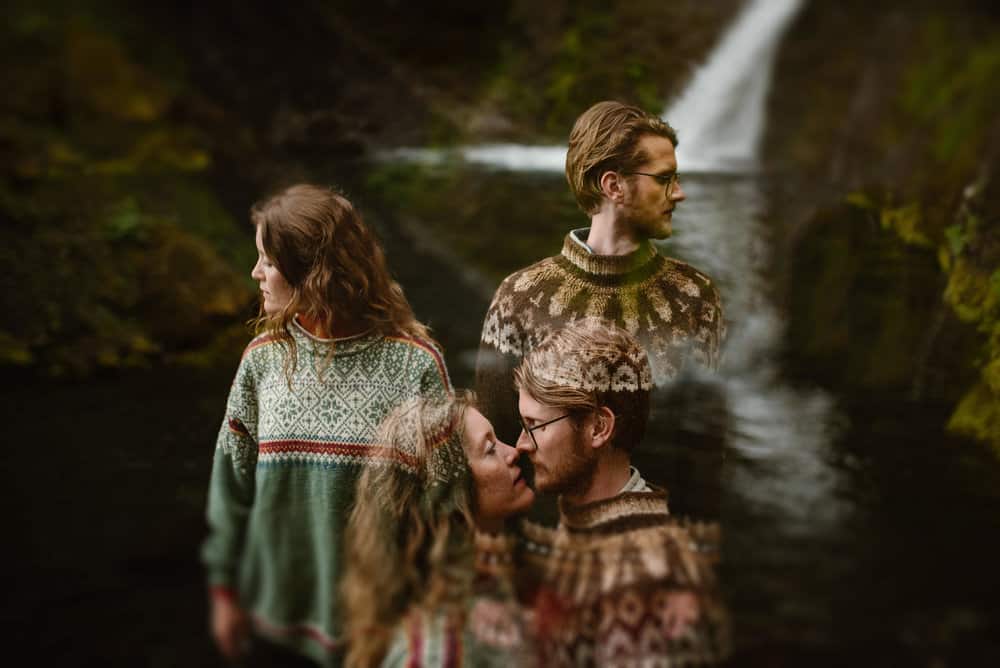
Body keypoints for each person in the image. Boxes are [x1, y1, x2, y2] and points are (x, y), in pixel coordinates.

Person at [201, 184, 452, 667]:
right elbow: (231, 487)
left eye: (267, 262)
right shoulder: (263, 362)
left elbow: (445, 504)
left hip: (382, 632)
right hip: (275, 627)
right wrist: (224, 593)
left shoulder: (415, 364)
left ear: (312, 272)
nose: (255, 274)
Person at [475, 100, 725, 444]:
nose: (679, 194)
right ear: (613, 186)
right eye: (664, 179)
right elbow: (499, 445)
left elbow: (706, 440)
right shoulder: (519, 298)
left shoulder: (695, 296)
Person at [512, 321, 730, 665]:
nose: (521, 444)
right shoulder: (588, 515)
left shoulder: (641, 574)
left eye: (534, 425)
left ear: (599, 427)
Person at [341, 392, 536, 667]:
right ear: (450, 497)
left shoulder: (491, 585)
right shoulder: (437, 650)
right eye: (490, 449)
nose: (513, 452)